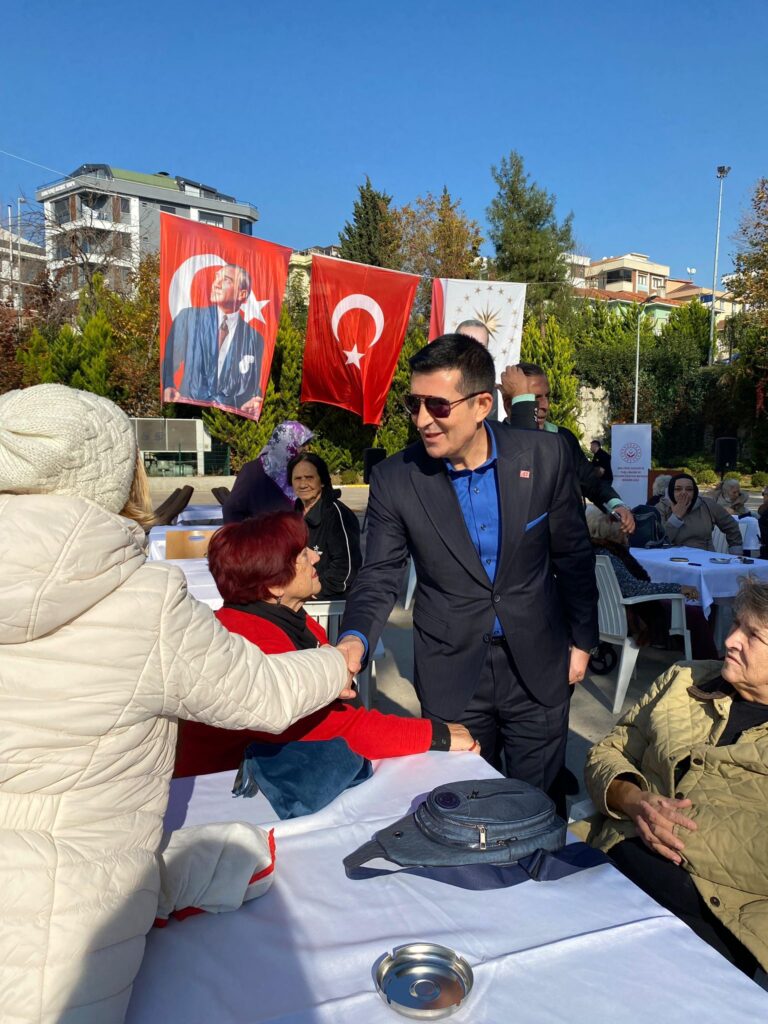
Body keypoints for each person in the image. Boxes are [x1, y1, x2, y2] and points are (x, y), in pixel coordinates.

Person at [0, 384, 352, 1024]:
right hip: (64, 932)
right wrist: (337, 662)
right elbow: (264, 695)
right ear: (110, 478)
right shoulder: (143, 603)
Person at [336, 335, 598, 798]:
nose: (421, 421)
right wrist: (354, 641)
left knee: (536, 807)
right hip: (451, 672)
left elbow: (573, 556)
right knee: (461, 809)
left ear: (481, 404)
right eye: (412, 404)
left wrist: (582, 641)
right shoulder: (396, 478)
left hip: (539, 663)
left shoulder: (544, 456)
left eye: (437, 405)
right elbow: (379, 573)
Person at [175, 512, 477, 776]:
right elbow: (334, 729)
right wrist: (436, 735)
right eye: (302, 555)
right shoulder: (249, 643)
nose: (316, 556)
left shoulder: (294, 619)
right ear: (275, 585)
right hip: (223, 795)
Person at [575, 577, 768, 977]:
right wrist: (632, 800)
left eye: (753, 636)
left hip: (713, 918)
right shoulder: (683, 681)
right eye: (736, 625)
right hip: (609, 863)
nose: (731, 640)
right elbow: (605, 753)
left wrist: (679, 832)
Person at [500, 362, 635, 535]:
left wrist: (616, 505)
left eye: (547, 396)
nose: (545, 405)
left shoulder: (563, 437)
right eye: (534, 398)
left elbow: (590, 482)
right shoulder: (496, 443)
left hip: (568, 549)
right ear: (510, 405)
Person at [587, 507, 717, 659]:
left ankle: (697, 656)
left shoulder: (595, 551)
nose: (629, 532)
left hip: (608, 612)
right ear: (615, 531)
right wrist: (678, 588)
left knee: (681, 609)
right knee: (693, 612)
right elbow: (635, 588)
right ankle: (708, 661)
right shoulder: (611, 555)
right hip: (630, 614)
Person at [162, 264, 265, 414]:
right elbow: (169, 360)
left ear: (241, 294)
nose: (216, 284)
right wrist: (168, 385)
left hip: (228, 419)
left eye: (226, 280)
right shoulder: (189, 319)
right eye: (216, 277)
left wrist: (256, 398)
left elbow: (252, 382)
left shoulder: (254, 338)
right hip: (190, 410)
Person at [287, 452, 362, 598]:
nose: (303, 484)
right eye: (297, 478)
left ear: (321, 481)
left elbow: (346, 569)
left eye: (309, 478)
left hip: (328, 603)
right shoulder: (291, 515)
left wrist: (314, 590)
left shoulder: (338, 515)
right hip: (298, 597)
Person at [222, 420, 313, 524]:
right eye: (302, 444)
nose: (306, 448)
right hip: (262, 537)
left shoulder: (299, 471)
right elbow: (232, 510)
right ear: (287, 444)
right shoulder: (253, 471)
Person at [658, 472, 743, 553]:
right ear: (671, 491)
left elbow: (731, 526)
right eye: (678, 489)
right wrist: (676, 517)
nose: (683, 493)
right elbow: (658, 540)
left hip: (705, 559)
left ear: (694, 492)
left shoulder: (707, 505)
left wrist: (736, 552)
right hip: (671, 560)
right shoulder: (661, 508)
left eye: (689, 489)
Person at [456, 318, 498, 418]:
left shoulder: (491, 389)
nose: (474, 352)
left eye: (481, 346)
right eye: (467, 345)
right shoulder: (438, 381)